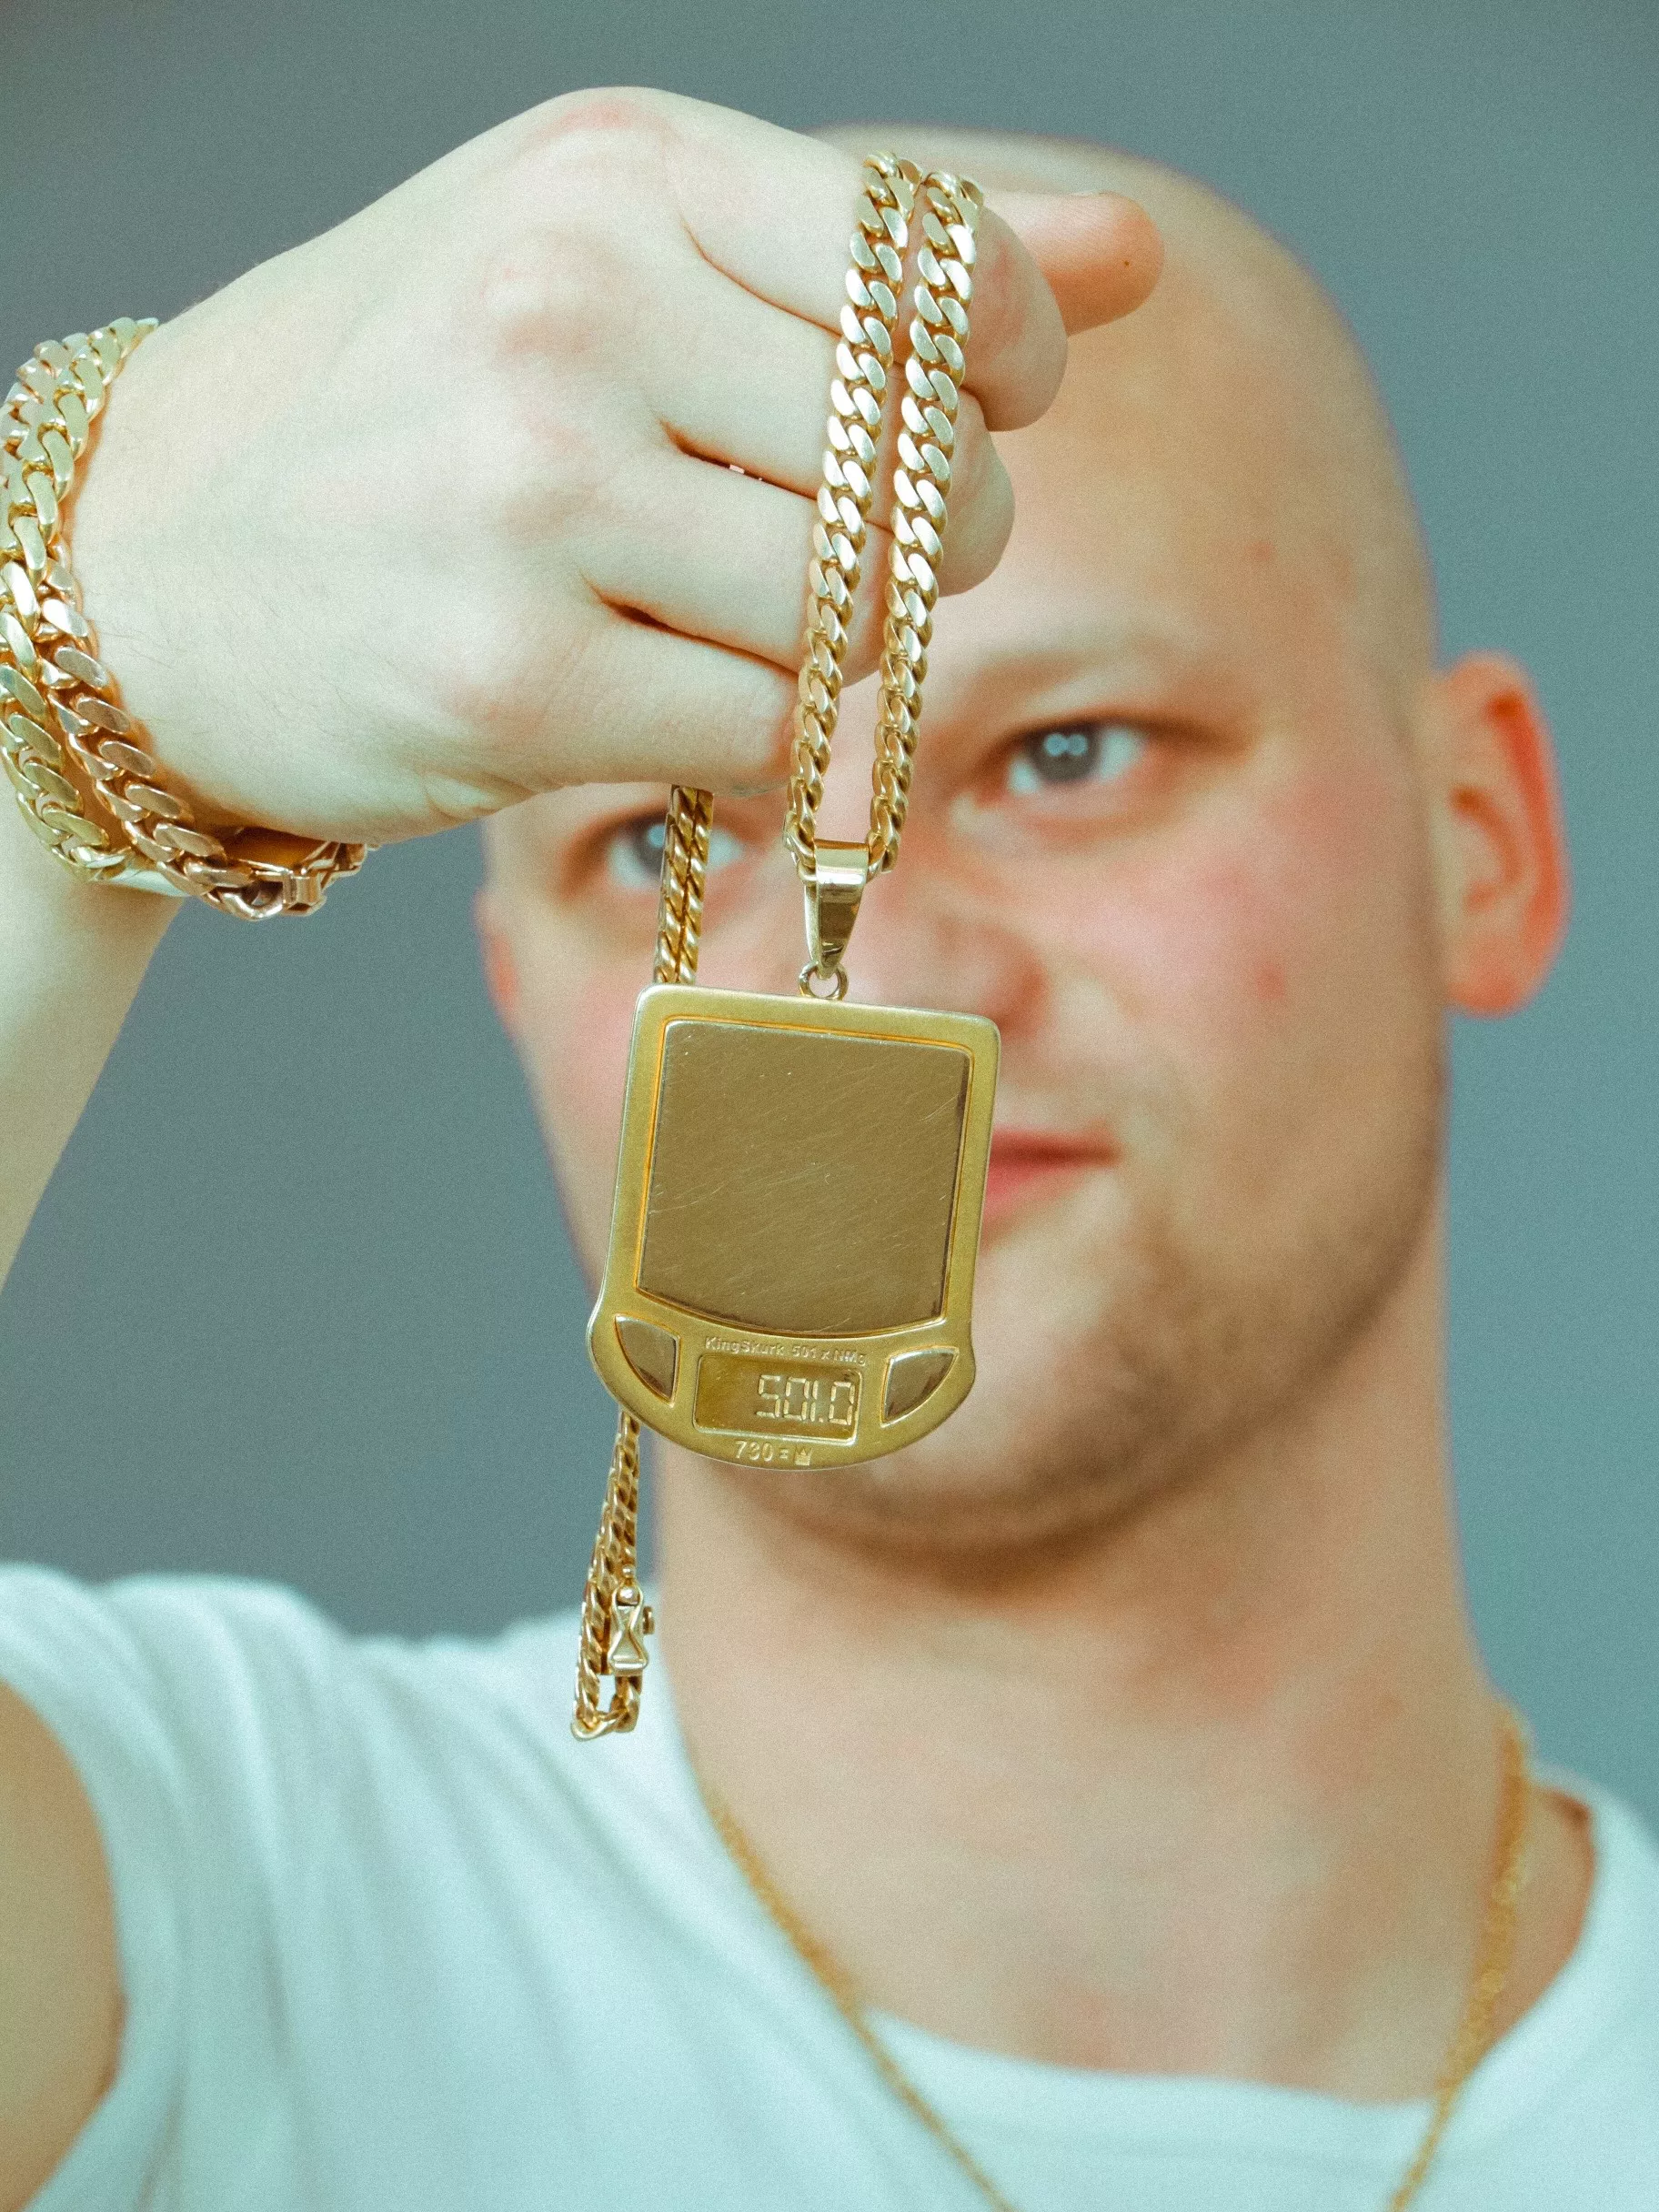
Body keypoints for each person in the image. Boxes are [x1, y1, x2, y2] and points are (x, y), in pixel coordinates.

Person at [0, 85, 1652, 2212]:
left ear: (1482, 843)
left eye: (1070, 753)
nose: (877, 987)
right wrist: (76, 636)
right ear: (520, 997)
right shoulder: (199, 1885)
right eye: (659, 843)